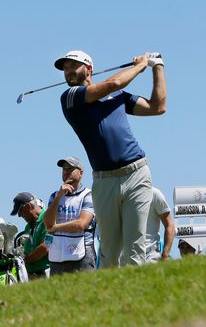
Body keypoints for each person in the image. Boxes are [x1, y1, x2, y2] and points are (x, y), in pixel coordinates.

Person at [56, 50, 166, 267]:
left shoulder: (118, 96)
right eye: (65, 68)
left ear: (88, 69)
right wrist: (140, 66)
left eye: (72, 66)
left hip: (137, 173)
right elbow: (113, 83)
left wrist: (157, 67)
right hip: (105, 180)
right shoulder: (70, 97)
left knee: (135, 246)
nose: (67, 71)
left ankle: (134, 299)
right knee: (109, 250)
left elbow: (158, 107)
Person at [43, 157, 97, 275]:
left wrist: (55, 227)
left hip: (81, 255)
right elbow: (47, 223)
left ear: (81, 173)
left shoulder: (88, 195)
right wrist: (59, 197)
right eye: (64, 170)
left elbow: (81, 224)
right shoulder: (55, 196)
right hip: (57, 256)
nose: (66, 172)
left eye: (70, 169)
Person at [11, 192, 49, 279]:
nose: (19, 215)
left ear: (28, 206)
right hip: (31, 275)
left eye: (20, 211)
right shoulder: (28, 227)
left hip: (46, 274)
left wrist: (24, 261)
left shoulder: (47, 218)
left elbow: (45, 247)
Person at [145, 187, 174, 262]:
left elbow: (169, 224)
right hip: (125, 255)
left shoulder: (154, 194)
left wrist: (165, 254)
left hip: (150, 255)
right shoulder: (123, 194)